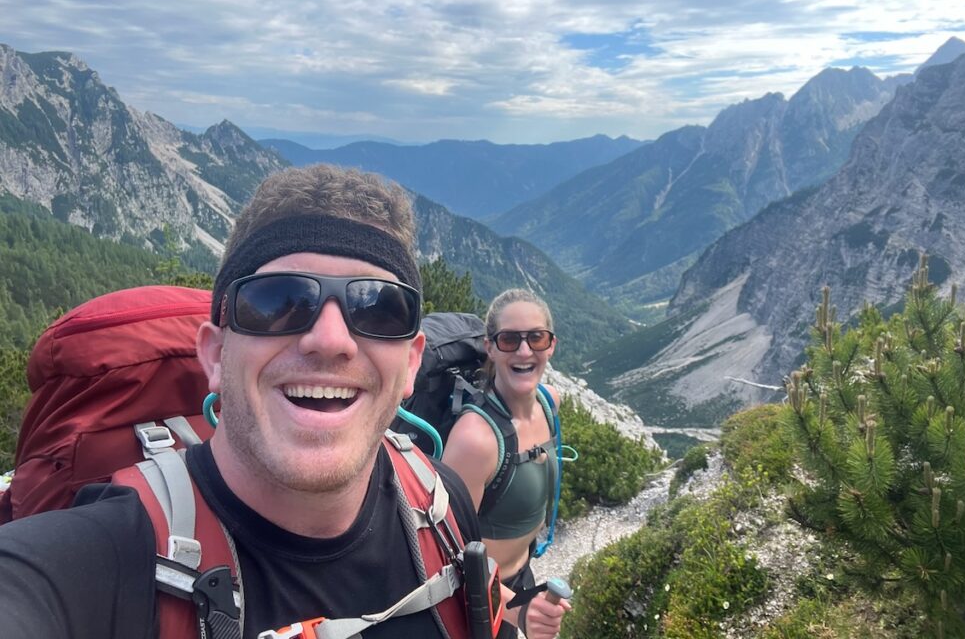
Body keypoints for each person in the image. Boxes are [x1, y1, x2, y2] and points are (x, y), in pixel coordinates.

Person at [0, 164, 506, 638]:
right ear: (216, 354)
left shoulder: (443, 507)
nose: (330, 340)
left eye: (378, 309)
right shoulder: (97, 563)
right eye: (278, 302)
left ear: (411, 364)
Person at [442, 289, 570, 639]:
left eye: (536, 338)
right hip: (478, 602)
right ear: (491, 348)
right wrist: (519, 610)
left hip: (520, 576)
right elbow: (447, 554)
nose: (525, 351)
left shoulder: (549, 403)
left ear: (551, 345)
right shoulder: (476, 439)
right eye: (510, 340)